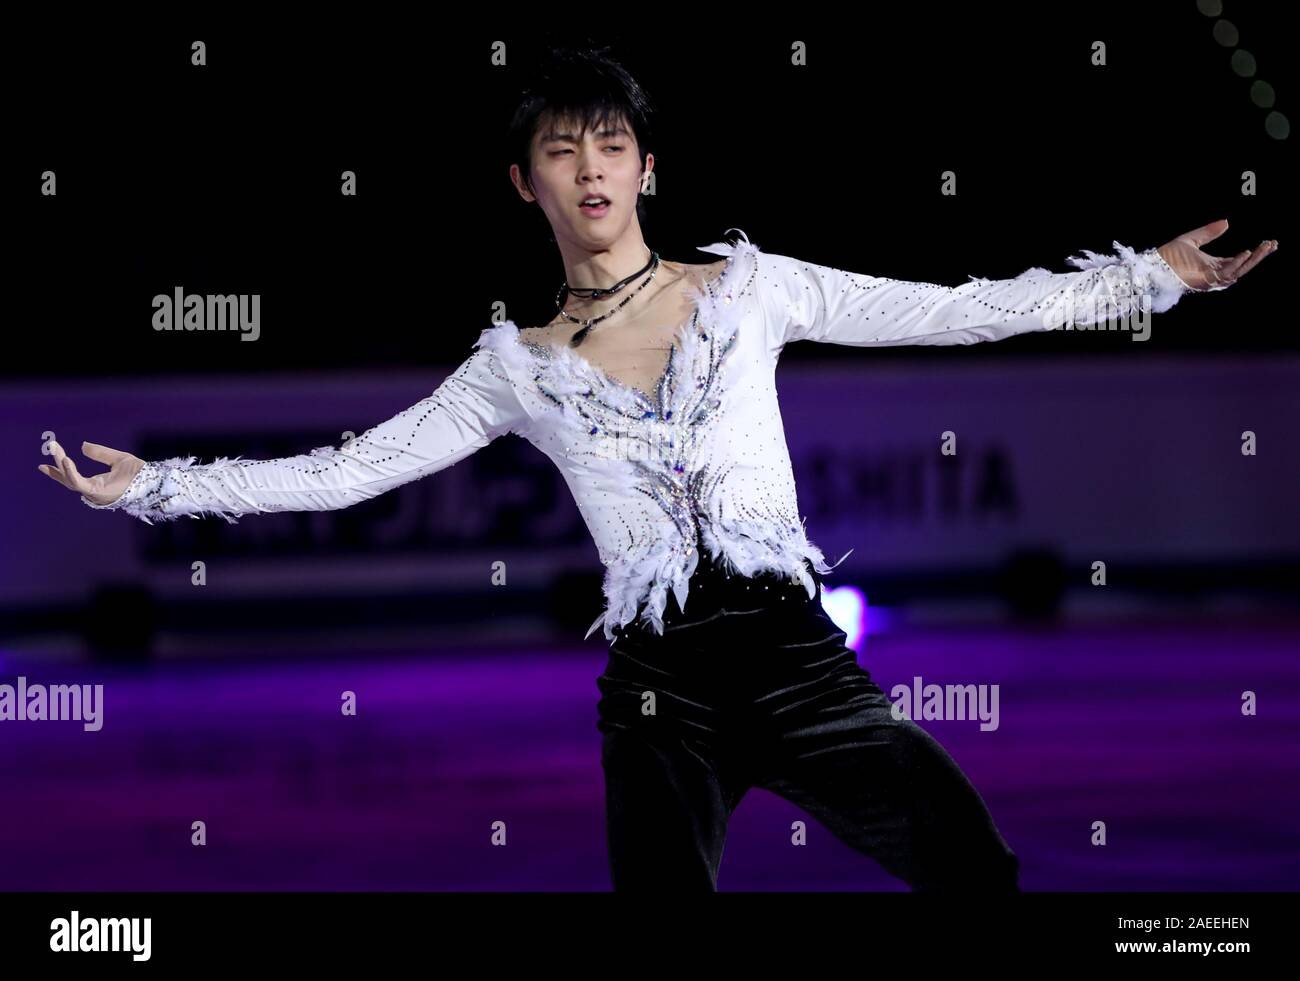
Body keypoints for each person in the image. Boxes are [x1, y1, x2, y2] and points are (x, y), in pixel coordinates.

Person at [40, 45, 1277, 891]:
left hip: (798, 664)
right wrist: (154, 485)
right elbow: (345, 471)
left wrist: (1147, 279)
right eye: (562, 150)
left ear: (646, 169)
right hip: (659, 694)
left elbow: (958, 310)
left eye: (613, 143)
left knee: (974, 869)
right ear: (523, 184)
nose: (590, 167)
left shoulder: (751, 291)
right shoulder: (513, 368)